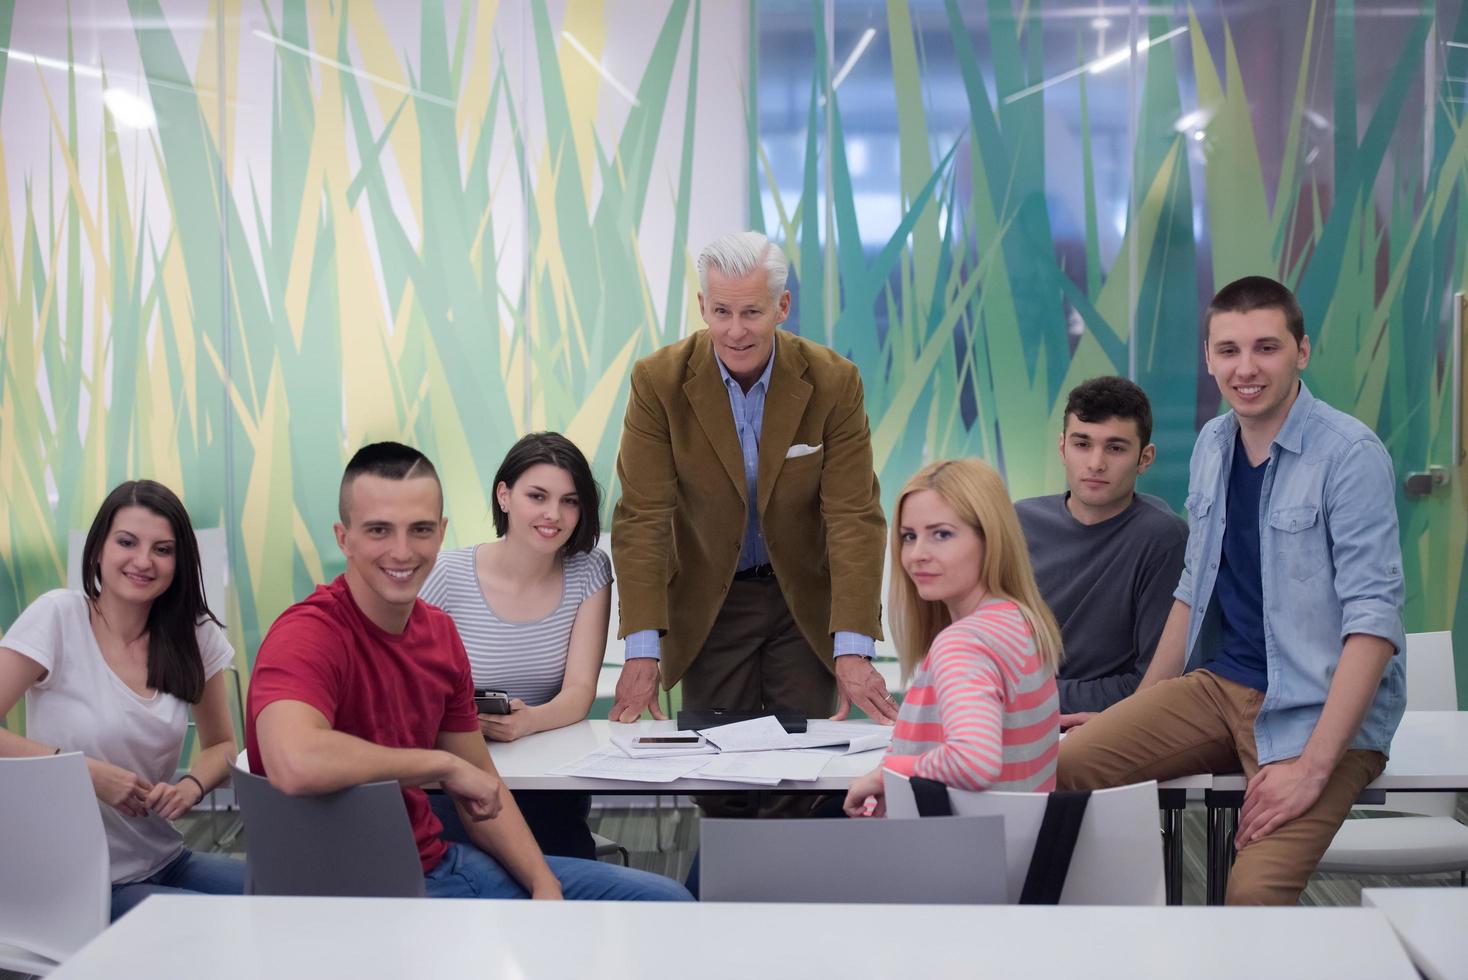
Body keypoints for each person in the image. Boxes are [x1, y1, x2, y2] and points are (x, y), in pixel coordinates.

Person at [1058, 276, 1406, 905]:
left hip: (1316, 711)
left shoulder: (1350, 455)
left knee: (1252, 899)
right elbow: (1192, 592)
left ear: (1301, 351)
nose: (1246, 368)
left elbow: (1373, 627)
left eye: (1266, 347)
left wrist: (1310, 770)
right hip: (1221, 689)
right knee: (1061, 767)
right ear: (1209, 358)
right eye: (1228, 350)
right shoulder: (1214, 443)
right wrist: (1135, 709)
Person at [246, 442, 689, 901]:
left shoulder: (438, 635)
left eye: (419, 530)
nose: (401, 551)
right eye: (379, 530)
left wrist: (544, 886)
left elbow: (483, 789)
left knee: (666, 902)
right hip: (352, 895)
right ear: (344, 538)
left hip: (436, 866)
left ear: (440, 533)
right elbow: (294, 761)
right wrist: (442, 765)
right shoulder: (306, 633)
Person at [611, 230, 894, 748]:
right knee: (716, 774)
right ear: (702, 306)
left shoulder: (835, 382)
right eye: (721, 312)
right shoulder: (657, 382)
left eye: (752, 313)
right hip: (710, 602)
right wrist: (642, 650)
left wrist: (852, 647)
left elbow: (853, 517)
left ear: (782, 306)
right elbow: (643, 516)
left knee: (803, 770)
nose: (735, 331)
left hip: (802, 602)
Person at [0, 480, 245, 919]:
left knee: (293, 900)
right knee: (220, 931)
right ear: (98, 550)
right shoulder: (58, 617)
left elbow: (222, 745)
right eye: (127, 542)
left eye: (162, 549)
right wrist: (81, 771)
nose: (143, 561)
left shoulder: (195, 632)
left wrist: (192, 786)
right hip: (78, 886)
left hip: (166, 859)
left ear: (179, 562)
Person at [420, 432, 609, 860]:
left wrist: (529, 721)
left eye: (570, 501)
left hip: (545, 777)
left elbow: (580, 691)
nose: (553, 514)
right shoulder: (446, 574)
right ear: (504, 496)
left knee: (560, 880)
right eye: (537, 496)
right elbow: (406, 691)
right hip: (457, 773)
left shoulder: (590, 569)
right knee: (464, 877)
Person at [844, 458, 1061, 817]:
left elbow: (974, 760)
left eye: (941, 534)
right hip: (1010, 854)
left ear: (990, 538)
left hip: (959, 858)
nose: (917, 555)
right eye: (909, 536)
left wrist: (888, 775)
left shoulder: (964, 644)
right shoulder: (1021, 621)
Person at [1015, 376, 1186, 725]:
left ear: (1145, 457)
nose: (1095, 463)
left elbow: (1153, 683)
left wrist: (1031, 697)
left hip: (1105, 728)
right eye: (1082, 444)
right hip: (1007, 721)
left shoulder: (1163, 539)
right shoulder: (1016, 523)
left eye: (1116, 448)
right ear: (1062, 448)